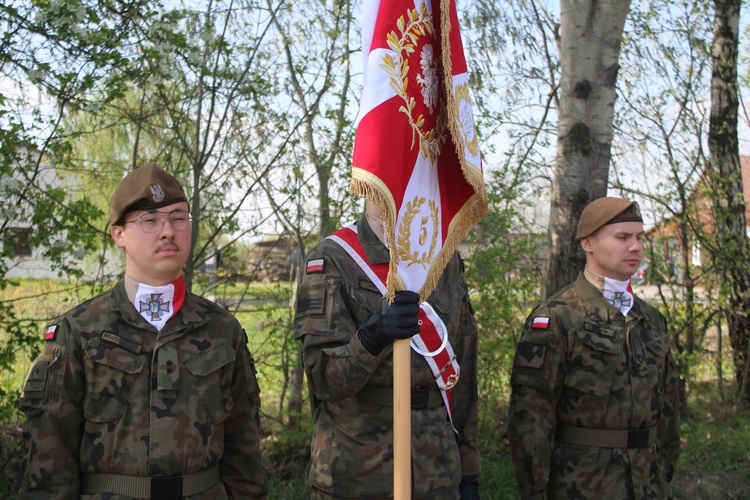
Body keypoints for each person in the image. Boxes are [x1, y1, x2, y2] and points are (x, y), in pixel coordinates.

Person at [18, 163, 268, 499]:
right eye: (150, 220)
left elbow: (245, 450)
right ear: (118, 235)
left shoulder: (222, 330)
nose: (168, 231)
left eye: (179, 217)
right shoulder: (78, 331)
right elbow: (48, 461)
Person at [293, 200, 481, 499]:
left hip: (439, 470)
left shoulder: (446, 259)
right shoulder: (333, 258)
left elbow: (464, 372)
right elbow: (322, 378)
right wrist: (370, 338)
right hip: (359, 471)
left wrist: (469, 469)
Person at [508, 197, 681, 499]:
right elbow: (532, 417)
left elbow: (669, 408)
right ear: (587, 242)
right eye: (622, 237)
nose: (636, 247)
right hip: (584, 482)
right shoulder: (558, 317)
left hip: (649, 481)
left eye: (640, 238)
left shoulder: (650, 318)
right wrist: (536, 490)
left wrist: (664, 472)